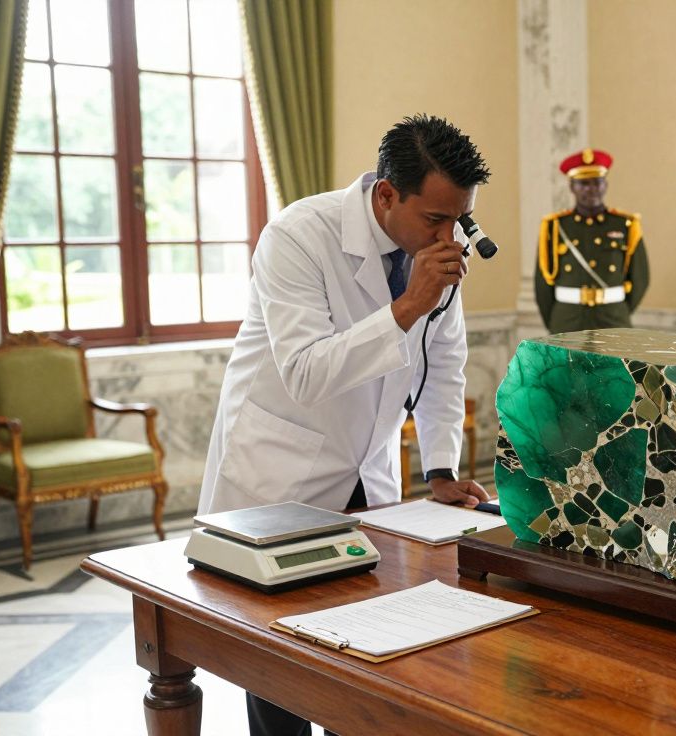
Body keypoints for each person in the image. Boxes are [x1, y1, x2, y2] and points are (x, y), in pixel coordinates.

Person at [197, 114, 491, 736]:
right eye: (434, 219)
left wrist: (440, 467)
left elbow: (444, 363)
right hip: (279, 480)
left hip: (369, 474)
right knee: (279, 677)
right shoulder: (299, 236)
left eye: (458, 220)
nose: (449, 236)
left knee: (359, 671)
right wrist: (409, 304)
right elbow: (305, 371)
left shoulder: (435, 252)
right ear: (386, 194)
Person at [535, 148, 649, 332]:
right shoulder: (555, 227)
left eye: (597, 182)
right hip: (567, 320)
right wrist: (557, 321)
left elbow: (641, 278)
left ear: (606, 185)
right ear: (572, 187)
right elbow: (542, 286)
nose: (592, 189)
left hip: (613, 319)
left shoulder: (625, 225)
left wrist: (619, 310)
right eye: (584, 183)